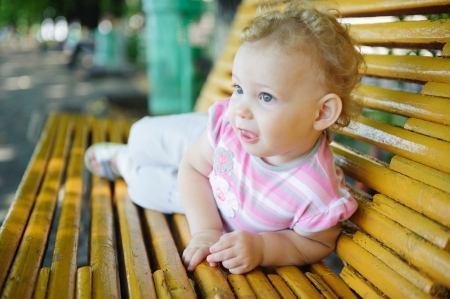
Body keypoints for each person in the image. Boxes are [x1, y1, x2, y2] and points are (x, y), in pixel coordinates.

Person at [85, 0, 364, 275]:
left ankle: (122, 163)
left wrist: (263, 247)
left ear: (322, 113)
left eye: (265, 96)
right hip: (205, 144)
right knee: (141, 137)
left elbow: (312, 244)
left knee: (143, 187)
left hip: (216, 200)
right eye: (239, 88)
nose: (239, 109)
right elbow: (192, 166)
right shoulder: (231, 125)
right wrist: (205, 232)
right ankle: (128, 151)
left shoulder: (317, 192)